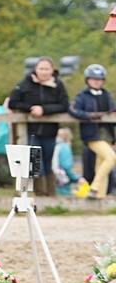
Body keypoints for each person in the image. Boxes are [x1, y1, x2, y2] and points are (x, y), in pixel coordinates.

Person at [8, 57, 70, 196]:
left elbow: (64, 105)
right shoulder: (25, 84)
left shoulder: (58, 85)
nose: (43, 72)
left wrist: (44, 109)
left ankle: (51, 195)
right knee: (36, 163)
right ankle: (40, 195)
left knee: (48, 163)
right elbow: (13, 102)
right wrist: (31, 108)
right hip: (31, 131)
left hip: (50, 131)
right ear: (35, 70)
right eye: (41, 68)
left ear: (52, 71)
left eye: (46, 69)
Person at [69, 63, 115, 199]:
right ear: (87, 80)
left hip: (107, 134)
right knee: (111, 158)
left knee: (102, 164)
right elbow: (73, 110)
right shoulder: (82, 96)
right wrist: (88, 115)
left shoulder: (107, 95)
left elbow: (112, 112)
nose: (96, 81)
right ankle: (94, 188)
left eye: (99, 79)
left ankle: (100, 197)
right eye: (93, 78)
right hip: (92, 135)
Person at [52, 127, 82, 196]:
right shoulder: (65, 147)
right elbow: (66, 166)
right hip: (62, 178)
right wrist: (77, 178)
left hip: (55, 176)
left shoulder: (56, 146)